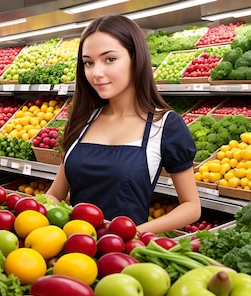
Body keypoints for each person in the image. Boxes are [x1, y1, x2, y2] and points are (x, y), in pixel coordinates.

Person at [44, 15, 201, 234]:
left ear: (136, 59)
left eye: (109, 59)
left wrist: (133, 234)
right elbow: (55, 193)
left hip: (123, 256)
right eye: (88, 62)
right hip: (71, 248)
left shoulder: (165, 125)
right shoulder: (83, 120)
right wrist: (36, 210)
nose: (96, 73)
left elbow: (191, 207)